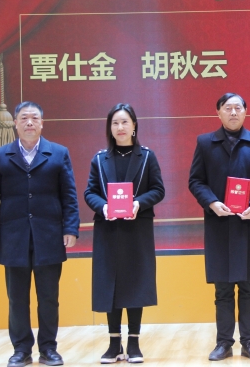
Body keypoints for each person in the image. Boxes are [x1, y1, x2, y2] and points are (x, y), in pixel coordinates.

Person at [0, 101, 79, 367]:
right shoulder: (0, 156)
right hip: (13, 238)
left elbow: (69, 195)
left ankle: (48, 348)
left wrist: (70, 228)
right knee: (17, 299)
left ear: (42, 123)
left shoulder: (58, 153)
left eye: (34, 118)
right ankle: (21, 350)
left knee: (49, 298)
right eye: (23, 118)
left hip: (49, 236)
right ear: (15, 123)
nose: (29, 123)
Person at [188, 93, 250, 361]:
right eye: (228, 108)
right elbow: (196, 181)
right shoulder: (205, 143)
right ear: (218, 113)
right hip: (219, 224)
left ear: (246, 112)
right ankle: (223, 343)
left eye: (238, 107)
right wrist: (211, 203)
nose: (233, 112)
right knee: (223, 290)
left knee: (249, 288)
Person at [84, 103, 165, 364]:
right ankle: (113, 343)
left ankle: (134, 343)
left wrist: (138, 203)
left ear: (134, 126)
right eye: (115, 123)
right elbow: (90, 192)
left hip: (137, 229)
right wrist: (104, 206)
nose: (120, 127)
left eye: (125, 122)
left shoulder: (147, 156)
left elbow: (158, 190)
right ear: (110, 128)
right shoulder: (99, 159)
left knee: (135, 283)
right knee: (111, 284)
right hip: (108, 229)